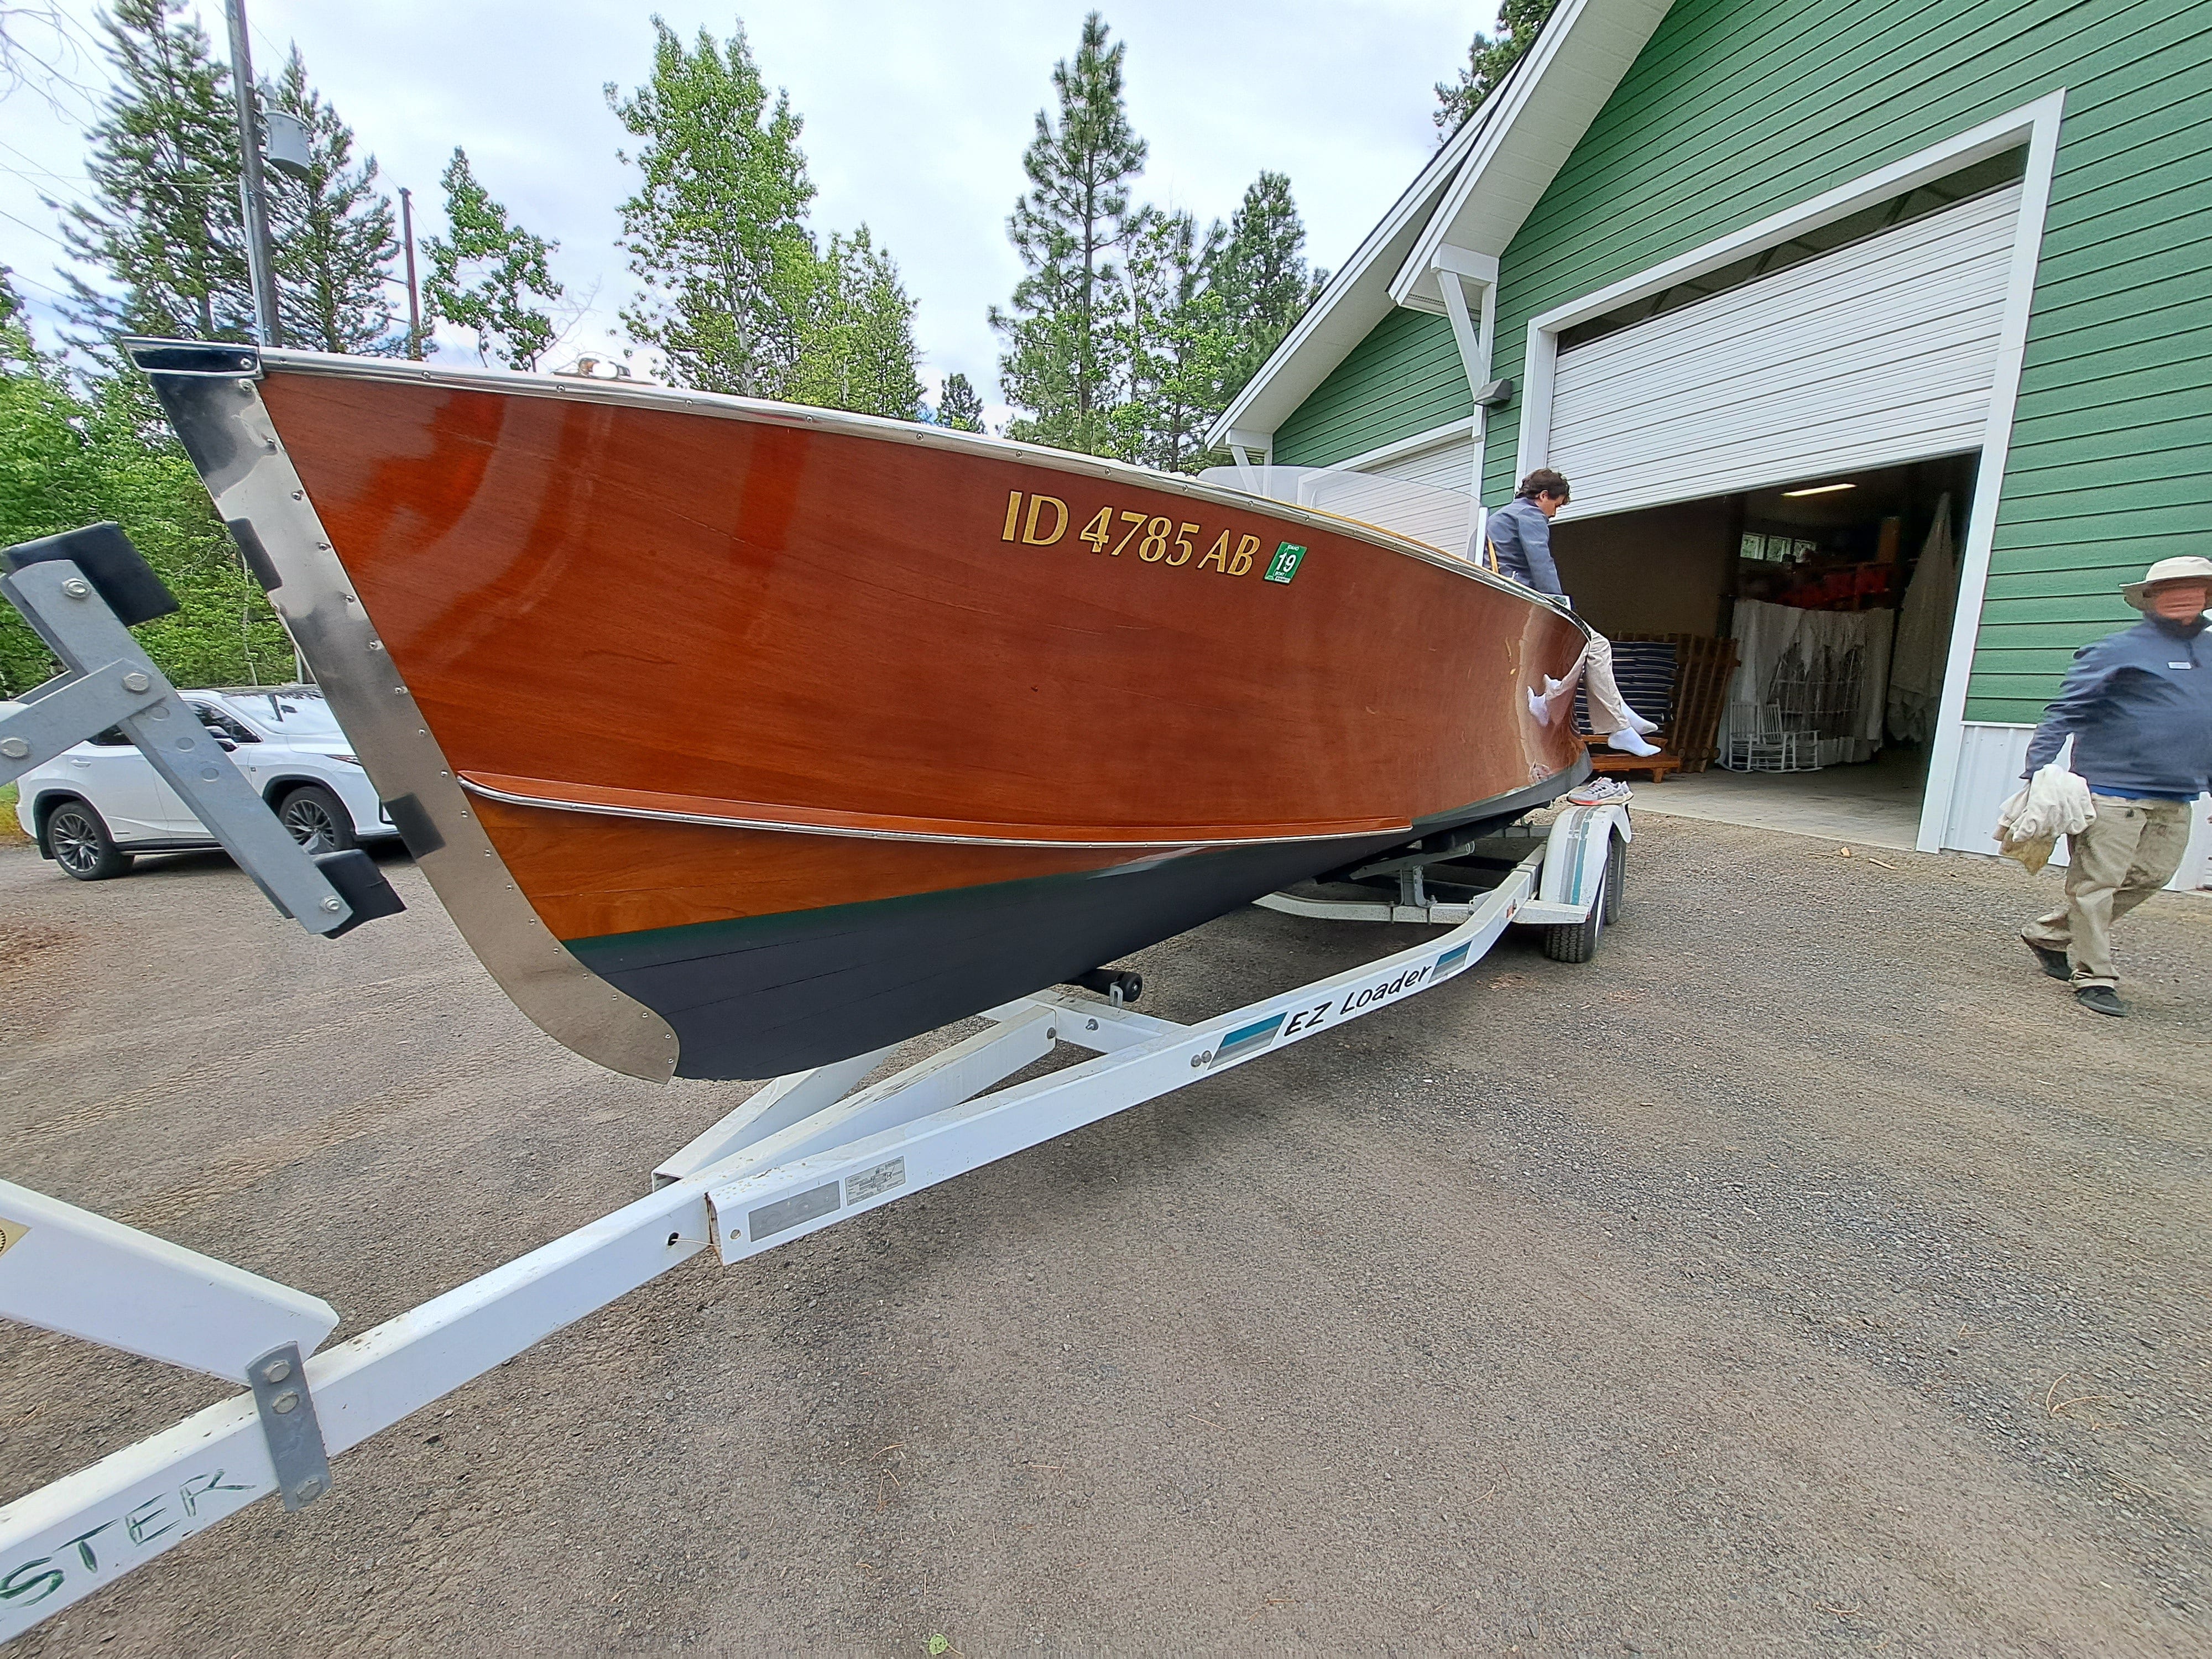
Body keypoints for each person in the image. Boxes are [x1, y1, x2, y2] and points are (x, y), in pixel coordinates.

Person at [2017, 554, 2212, 1016]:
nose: (2183, 595)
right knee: (2097, 883)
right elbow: (2063, 712)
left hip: (2177, 792)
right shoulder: (2114, 650)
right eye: (2170, 588)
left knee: (2152, 876)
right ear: (2150, 598)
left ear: (2206, 596)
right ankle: (2095, 978)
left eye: (2194, 587)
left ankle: (2048, 934)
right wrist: (2036, 772)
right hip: (2112, 789)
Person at [1483, 469, 1661, 765]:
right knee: (1595, 644)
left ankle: (1612, 716)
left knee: (1583, 649)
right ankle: (1617, 723)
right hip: (1524, 597)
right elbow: (1541, 563)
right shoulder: (1529, 516)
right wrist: (1562, 606)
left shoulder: (1500, 517)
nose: (1554, 514)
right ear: (1543, 497)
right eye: (1557, 505)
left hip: (1505, 596)